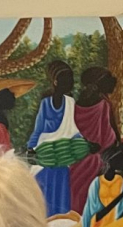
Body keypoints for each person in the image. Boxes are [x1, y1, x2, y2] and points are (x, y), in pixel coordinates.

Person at [27, 60, 87, 216]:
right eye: (66, 79)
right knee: (43, 201)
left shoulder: (71, 103)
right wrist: (31, 149)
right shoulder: (46, 104)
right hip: (45, 159)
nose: (70, 83)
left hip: (62, 159)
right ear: (55, 81)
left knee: (60, 202)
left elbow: (74, 130)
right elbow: (38, 130)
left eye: (71, 79)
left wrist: (85, 144)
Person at [68, 66, 120, 214]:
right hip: (98, 157)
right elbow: (107, 132)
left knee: (77, 189)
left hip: (79, 155)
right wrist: (116, 145)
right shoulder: (103, 104)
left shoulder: (77, 102)